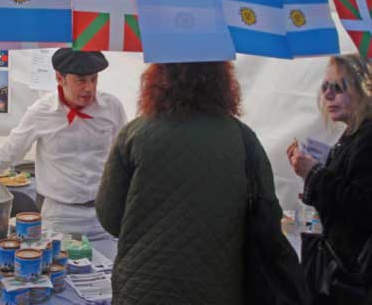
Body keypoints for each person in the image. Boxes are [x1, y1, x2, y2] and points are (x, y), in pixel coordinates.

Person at [96, 62, 285, 304]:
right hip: (217, 287)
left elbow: (110, 218)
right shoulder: (243, 138)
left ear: (158, 79)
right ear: (223, 83)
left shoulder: (134, 134)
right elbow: (269, 215)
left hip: (142, 288)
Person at [0, 48, 126, 240]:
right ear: (59, 78)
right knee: (55, 268)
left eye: (93, 79)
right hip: (60, 216)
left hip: (103, 214)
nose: (89, 87)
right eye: (80, 80)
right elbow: (11, 152)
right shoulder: (41, 112)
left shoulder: (112, 107)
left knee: (109, 268)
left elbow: (124, 156)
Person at [287, 54, 372, 304]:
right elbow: (331, 207)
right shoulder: (353, 134)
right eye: (325, 87)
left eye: (338, 87)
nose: (327, 95)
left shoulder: (367, 137)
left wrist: (315, 173)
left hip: (346, 279)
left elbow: (363, 207)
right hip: (332, 272)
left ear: (363, 90)